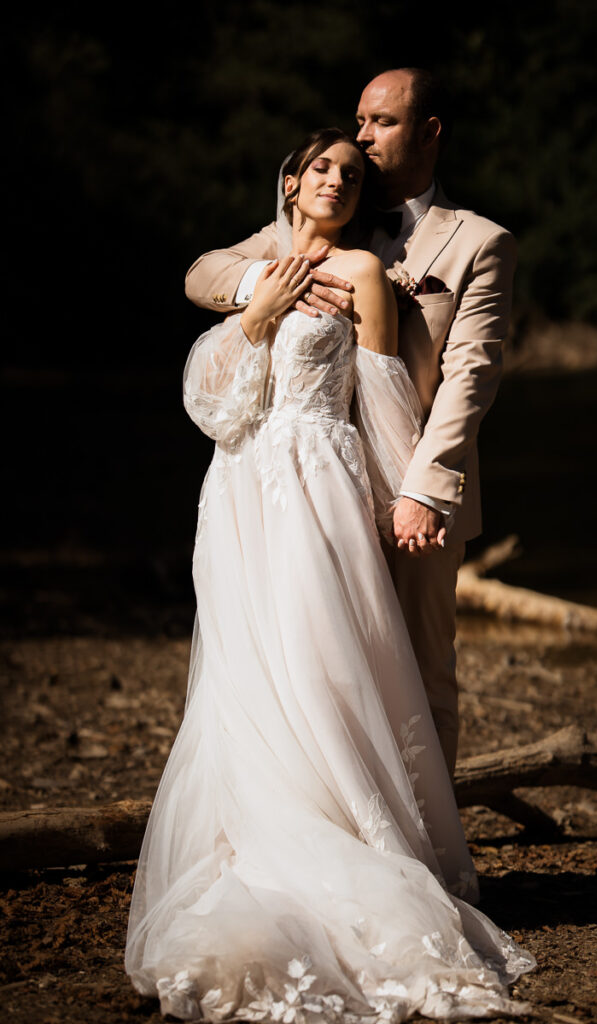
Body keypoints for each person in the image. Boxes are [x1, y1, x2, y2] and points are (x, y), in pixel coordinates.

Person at [126, 128, 534, 1021]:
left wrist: (402, 508)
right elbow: (215, 404)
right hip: (238, 490)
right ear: (291, 181)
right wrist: (258, 308)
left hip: (319, 487)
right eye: (322, 168)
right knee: (245, 669)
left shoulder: (364, 274)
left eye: (352, 173)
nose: (338, 181)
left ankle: (349, 834)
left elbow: (384, 396)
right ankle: (243, 841)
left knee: (320, 661)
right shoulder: (255, 263)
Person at [185, 68, 517, 776]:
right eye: (359, 120)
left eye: (382, 122)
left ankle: (425, 835)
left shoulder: (479, 242)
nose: (362, 137)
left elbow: (469, 378)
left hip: (413, 488)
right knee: (314, 665)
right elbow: (203, 274)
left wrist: (422, 491)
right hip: (308, 491)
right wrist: (272, 284)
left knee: (417, 673)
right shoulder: (326, 215)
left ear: (429, 133)